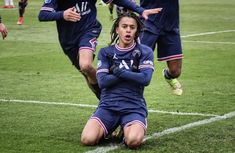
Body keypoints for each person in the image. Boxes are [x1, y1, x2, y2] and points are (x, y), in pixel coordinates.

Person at [38, 0, 161, 99]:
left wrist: (141, 10)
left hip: (89, 30)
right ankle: (106, 101)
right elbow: (42, 15)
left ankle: (111, 101)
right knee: (87, 74)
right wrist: (62, 14)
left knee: (85, 66)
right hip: (68, 40)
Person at [81, 13, 154, 149]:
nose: (128, 30)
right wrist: (131, 73)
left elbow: (145, 79)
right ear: (117, 29)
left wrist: (117, 71)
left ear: (136, 30)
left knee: (133, 142)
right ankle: (109, 129)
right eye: (124, 26)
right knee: (87, 139)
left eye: (132, 27)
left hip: (133, 107)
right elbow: (102, 82)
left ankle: (128, 131)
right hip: (108, 106)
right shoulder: (106, 52)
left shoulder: (145, 52)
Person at [139, 0, 183, 96]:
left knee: (175, 71)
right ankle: (132, 99)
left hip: (170, 25)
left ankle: (168, 76)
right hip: (148, 23)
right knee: (138, 66)